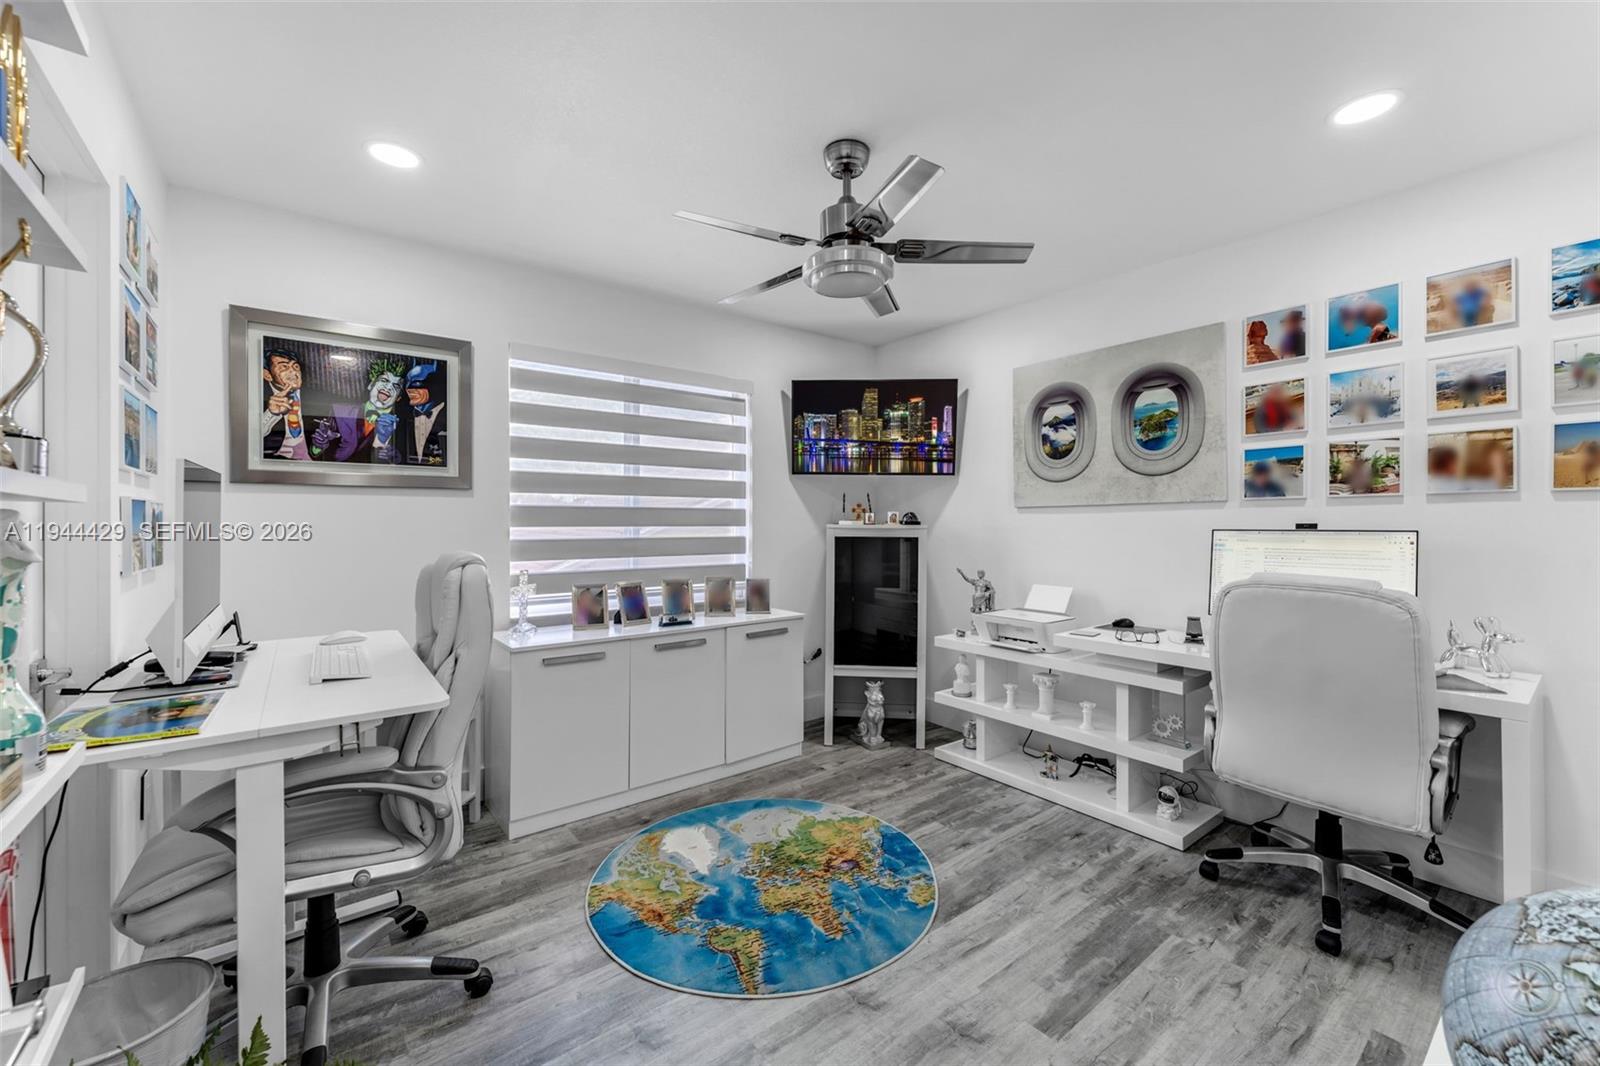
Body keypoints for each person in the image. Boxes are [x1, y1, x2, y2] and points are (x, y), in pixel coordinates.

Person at [399, 361, 448, 466]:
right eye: (407, 384)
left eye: (416, 384)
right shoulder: (402, 417)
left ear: (434, 386)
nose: (409, 389)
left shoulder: (450, 416)